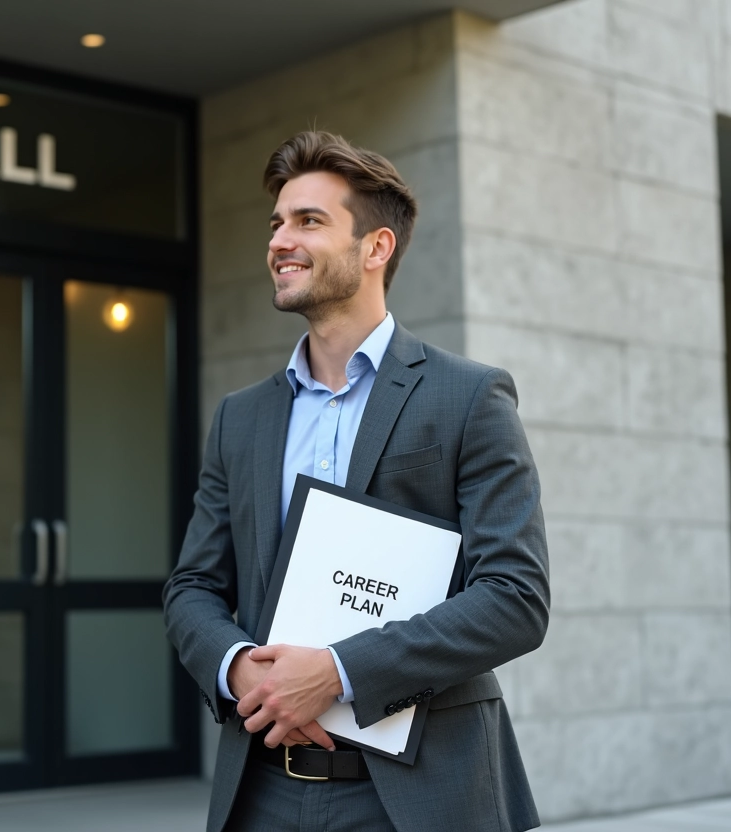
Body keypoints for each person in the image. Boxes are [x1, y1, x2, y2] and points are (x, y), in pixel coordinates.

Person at [163, 131, 550, 832]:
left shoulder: (469, 398)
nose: (281, 239)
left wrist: (339, 672)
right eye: (276, 223)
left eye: (308, 221)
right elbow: (192, 588)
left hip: (420, 795)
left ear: (376, 248)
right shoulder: (240, 418)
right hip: (263, 790)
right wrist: (239, 667)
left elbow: (515, 598)